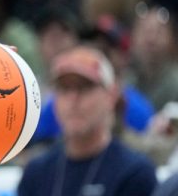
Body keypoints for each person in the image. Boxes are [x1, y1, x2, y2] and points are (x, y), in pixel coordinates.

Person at [18, 45, 157, 196]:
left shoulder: (134, 173)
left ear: (111, 95)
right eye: (64, 89)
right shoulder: (36, 172)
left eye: (84, 87)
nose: (73, 99)